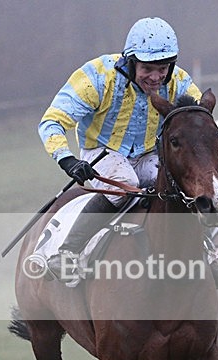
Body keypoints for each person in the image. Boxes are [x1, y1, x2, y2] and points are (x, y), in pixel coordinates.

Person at [38, 17, 202, 281]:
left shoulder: (179, 81)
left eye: (163, 68)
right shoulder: (97, 77)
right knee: (124, 182)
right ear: (131, 61)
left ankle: (209, 251)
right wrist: (67, 159)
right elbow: (52, 121)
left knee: (182, 185)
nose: (156, 77)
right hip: (101, 153)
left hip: (149, 154)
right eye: (148, 68)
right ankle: (68, 250)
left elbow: (198, 120)